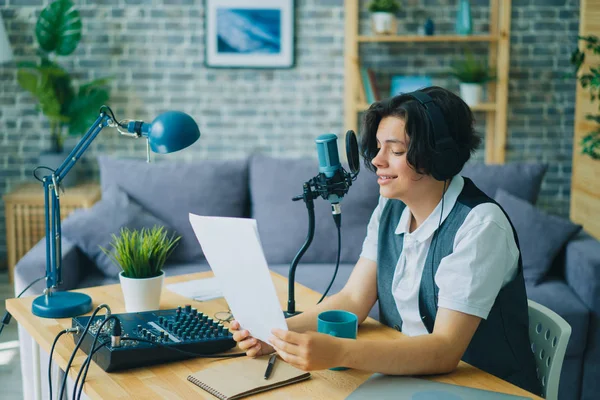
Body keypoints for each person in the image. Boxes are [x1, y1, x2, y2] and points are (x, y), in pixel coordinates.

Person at [230, 86, 541, 395]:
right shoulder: (391, 207)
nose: (377, 161)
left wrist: (340, 352)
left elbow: (445, 350)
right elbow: (353, 300)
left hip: (484, 386)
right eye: (378, 147)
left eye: (395, 150)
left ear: (439, 157)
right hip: (415, 380)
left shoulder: (480, 225)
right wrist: (274, 333)